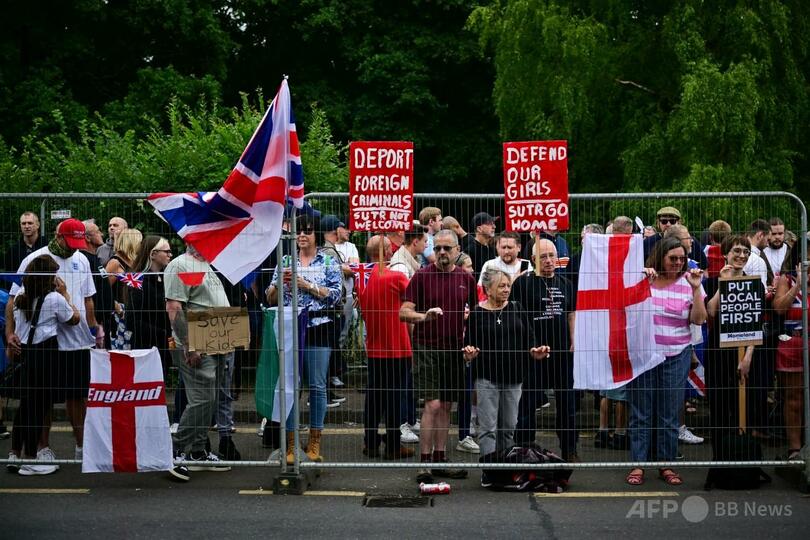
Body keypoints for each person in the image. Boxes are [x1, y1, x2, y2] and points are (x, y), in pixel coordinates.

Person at [6, 218, 99, 463]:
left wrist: (93, 329)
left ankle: (81, 446)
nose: (74, 248)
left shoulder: (82, 259)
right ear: (58, 236)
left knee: (77, 395)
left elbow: (88, 299)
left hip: (77, 342)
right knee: (42, 398)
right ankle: (41, 448)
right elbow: (13, 300)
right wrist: (10, 334)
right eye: (70, 243)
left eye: (78, 243)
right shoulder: (35, 259)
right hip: (44, 344)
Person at [626, 237, 706, 487]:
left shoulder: (689, 282)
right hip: (645, 354)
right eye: (673, 258)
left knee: (669, 412)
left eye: (682, 258)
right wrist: (643, 284)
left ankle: (666, 463)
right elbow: (627, 310)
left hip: (676, 354)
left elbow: (699, 319)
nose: (678, 262)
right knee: (641, 411)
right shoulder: (644, 278)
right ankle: (638, 463)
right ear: (660, 257)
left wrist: (696, 289)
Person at [400, 229, 477, 483]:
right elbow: (403, 312)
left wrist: (471, 344)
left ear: (457, 250)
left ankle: (440, 458)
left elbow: (476, 314)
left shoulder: (466, 278)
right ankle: (424, 463)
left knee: (446, 405)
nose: (442, 252)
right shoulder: (422, 276)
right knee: (432, 404)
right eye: (437, 248)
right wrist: (425, 316)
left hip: (455, 348)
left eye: (447, 248)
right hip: (427, 347)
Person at [267, 214, 342, 464]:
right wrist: (280, 284)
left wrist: (306, 285)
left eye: (307, 231)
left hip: (319, 326)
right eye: (298, 231)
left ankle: (314, 441)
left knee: (317, 386)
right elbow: (270, 297)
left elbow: (336, 295)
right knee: (290, 385)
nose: (301, 235)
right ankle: (290, 444)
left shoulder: (328, 260)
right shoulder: (286, 260)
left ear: (316, 234)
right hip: (290, 327)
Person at [462, 268, 549, 462]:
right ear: (488, 289)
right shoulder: (477, 313)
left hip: (514, 376)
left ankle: (505, 468)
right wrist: (469, 354)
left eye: (508, 285)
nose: (506, 289)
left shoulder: (517, 308)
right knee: (488, 429)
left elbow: (530, 337)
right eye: (501, 286)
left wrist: (534, 350)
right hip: (487, 378)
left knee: (508, 427)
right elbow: (469, 343)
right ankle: (489, 469)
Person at [165, 243, 233, 481]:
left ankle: (197, 451)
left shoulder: (205, 264)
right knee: (202, 400)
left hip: (215, 343)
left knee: (209, 399)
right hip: (197, 346)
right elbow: (174, 307)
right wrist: (189, 344)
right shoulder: (180, 265)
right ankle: (175, 450)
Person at [7, 256, 80, 475]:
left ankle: (14, 453)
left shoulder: (21, 296)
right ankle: (31, 459)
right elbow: (73, 319)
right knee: (39, 408)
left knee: (26, 406)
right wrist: (66, 295)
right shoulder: (54, 298)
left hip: (25, 352)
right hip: (45, 353)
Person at [510, 239, 579, 461]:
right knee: (528, 404)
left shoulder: (566, 283)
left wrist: (574, 340)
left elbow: (571, 314)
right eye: (543, 257)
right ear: (533, 260)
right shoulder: (523, 284)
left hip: (562, 354)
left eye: (552, 256)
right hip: (533, 354)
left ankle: (569, 449)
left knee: (567, 404)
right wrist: (525, 346)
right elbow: (515, 317)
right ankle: (524, 449)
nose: (549, 261)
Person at [357, 235, 415, 460]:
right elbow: (412, 303)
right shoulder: (397, 277)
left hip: (375, 346)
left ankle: (370, 442)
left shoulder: (362, 279)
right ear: (387, 252)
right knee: (395, 397)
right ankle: (393, 445)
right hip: (398, 346)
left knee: (374, 397)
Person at [704, 235, 757, 454]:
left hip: (743, 353)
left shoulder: (753, 282)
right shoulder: (712, 281)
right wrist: (723, 284)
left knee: (742, 407)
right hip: (717, 351)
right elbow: (710, 311)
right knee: (718, 406)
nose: (741, 256)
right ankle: (719, 458)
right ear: (725, 253)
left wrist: (748, 357)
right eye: (737, 251)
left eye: (746, 252)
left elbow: (755, 323)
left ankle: (740, 457)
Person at [772, 241, 805, 460]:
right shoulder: (787, 279)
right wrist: (798, 285)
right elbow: (779, 308)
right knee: (793, 397)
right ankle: (794, 448)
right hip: (793, 343)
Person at [129, 236, 172, 352]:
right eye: (166, 252)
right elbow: (132, 321)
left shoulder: (164, 278)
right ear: (153, 254)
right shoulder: (138, 281)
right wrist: (163, 334)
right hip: (145, 348)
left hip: (163, 346)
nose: (170, 255)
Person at [104, 228, 143, 350]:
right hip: (119, 316)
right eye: (140, 241)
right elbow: (103, 289)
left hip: (133, 314)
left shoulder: (134, 262)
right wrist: (116, 306)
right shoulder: (115, 263)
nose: (141, 245)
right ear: (131, 242)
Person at [643, 206, 707, 269]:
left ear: (679, 222)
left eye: (672, 221)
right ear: (658, 223)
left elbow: (704, 266)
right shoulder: (647, 243)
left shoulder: (691, 241)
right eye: (664, 221)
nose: (668, 224)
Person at [2, 212, 47, 289]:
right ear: (20, 226)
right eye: (23, 223)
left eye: (30, 223)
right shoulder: (13, 251)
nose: (26, 226)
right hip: (20, 291)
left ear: (38, 225)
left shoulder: (47, 246)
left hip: (44, 290)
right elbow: (9, 278)